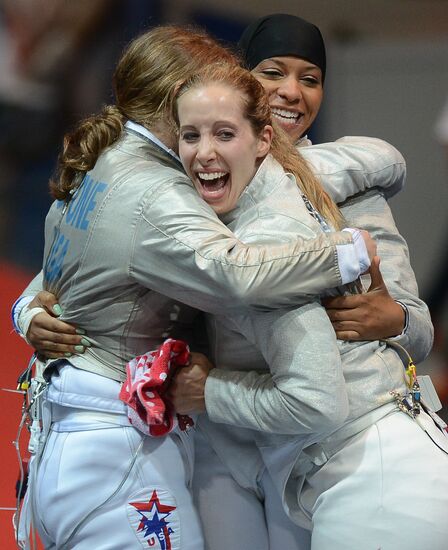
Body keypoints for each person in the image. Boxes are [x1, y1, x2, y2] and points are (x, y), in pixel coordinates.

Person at [13, 25, 382, 549]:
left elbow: (367, 161)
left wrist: (24, 310)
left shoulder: (108, 158)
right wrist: (346, 253)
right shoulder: (162, 189)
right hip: (134, 439)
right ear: (177, 104)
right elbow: (234, 274)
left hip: (91, 433)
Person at [168, 61, 448, 550]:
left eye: (224, 133)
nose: (205, 152)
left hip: (374, 479)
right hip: (351, 471)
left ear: (263, 141)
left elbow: (314, 404)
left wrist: (208, 390)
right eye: (190, 135)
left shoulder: (267, 239)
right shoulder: (247, 211)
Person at [239, 13, 432, 353]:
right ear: (237, 81)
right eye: (273, 73)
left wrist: (396, 319)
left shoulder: (356, 184)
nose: (292, 91)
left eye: (310, 80)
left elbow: (419, 329)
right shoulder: (209, 177)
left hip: (342, 396)